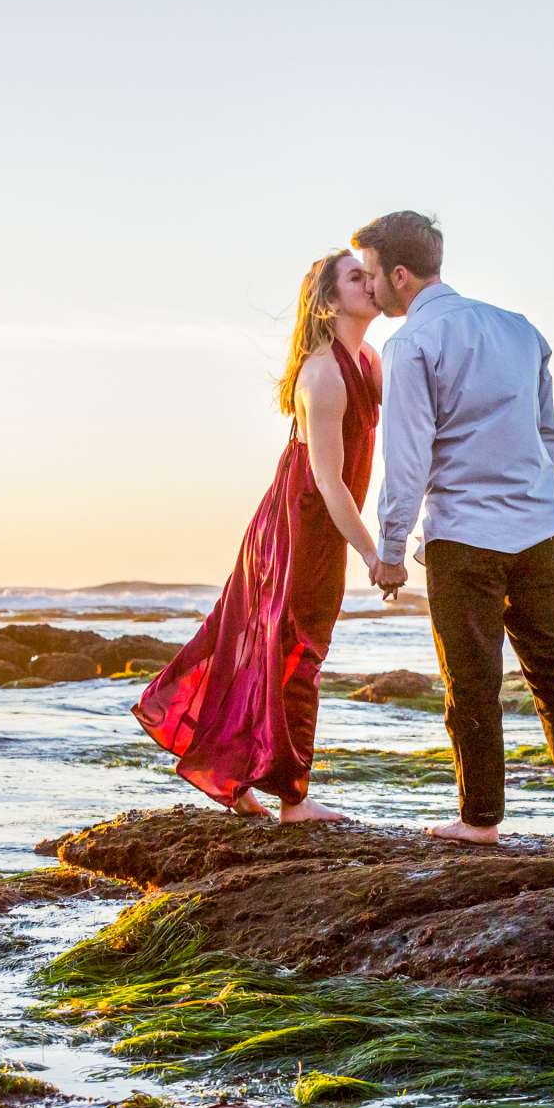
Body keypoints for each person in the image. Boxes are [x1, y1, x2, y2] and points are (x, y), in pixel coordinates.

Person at [353, 211, 554, 843]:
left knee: (471, 677)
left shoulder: (411, 345)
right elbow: (548, 435)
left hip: (462, 532)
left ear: (399, 274)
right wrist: (521, 484)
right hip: (540, 523)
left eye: (371, 275)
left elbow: (408, 456)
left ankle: (480, 820)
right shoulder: (519, 330)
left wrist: (392, 549)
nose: (369, 289)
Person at [132, 250, 382, 822]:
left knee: (258, 647)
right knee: (299, 650)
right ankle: (293, 797)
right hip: (299, 526)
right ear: (327, 300)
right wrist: (371, 550)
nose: (370, 283)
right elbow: (326, 479)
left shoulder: (368, 359)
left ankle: (228, 773)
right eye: (355, 277)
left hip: (316, 523)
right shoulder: (322, 373)